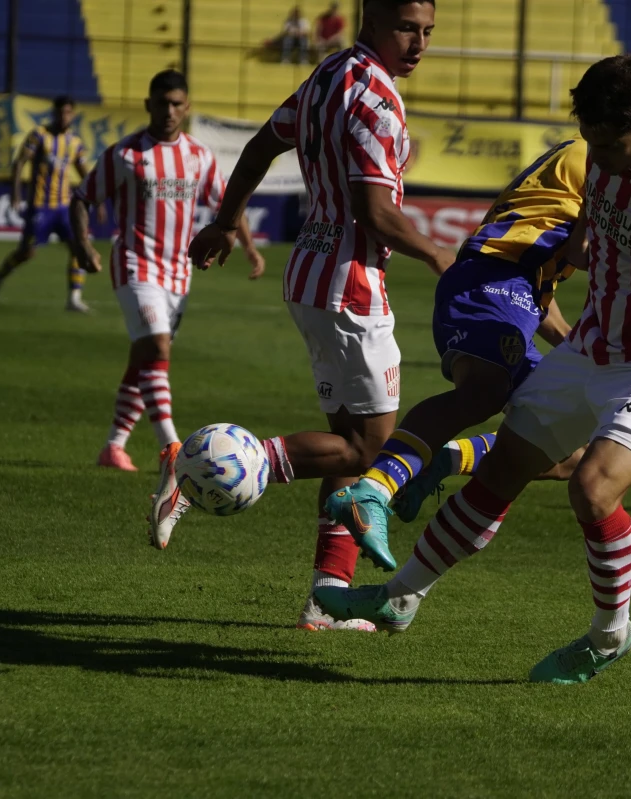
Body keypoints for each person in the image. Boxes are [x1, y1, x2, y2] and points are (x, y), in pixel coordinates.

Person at [317, 54, 631, 684]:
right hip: (590, 345)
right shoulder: (606, 152)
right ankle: (400, 598)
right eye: (590, 139)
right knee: (501, 471)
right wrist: (583, 238)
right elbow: (597, 192)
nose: (597, 154)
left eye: (609, 145)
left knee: (591, 488)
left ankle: (609, 636)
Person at [186, 0, 453, 630]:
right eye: (407, 29)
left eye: (427, 33)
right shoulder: (377, 99)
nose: (418, 44)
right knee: (370, 452)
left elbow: (259, 146)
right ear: (372, 20)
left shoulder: (328, 75)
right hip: (351, 288)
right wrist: (441, 253)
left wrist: (228, 222)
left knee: (349, 450)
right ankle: (208, 467)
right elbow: (374, 214)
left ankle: (325, 597)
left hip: (309, 277)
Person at [324, 137, 590, 574]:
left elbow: (543, 271)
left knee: (568, 450)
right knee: (483, 392)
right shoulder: (602, 159)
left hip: (517, 292)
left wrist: (570, 340)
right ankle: (372, 489)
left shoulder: (583, 162)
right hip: (493, 280)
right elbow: (583, 250)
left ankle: (441, 458)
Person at [69, 70, 264, 495]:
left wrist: (248, 248)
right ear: (149, 105)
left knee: (145, 359)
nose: (170, 111)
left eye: (177, 104)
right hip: (135, 263)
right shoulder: (125, 155)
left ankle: (113, 447)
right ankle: (173, 449)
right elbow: (82, 197)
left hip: (180, 272)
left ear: (187, 106)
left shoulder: (198, 155)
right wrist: (83, 245)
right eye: (162, 103)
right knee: (156, 348)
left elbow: (228, 203)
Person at [0, 96, 97, 313]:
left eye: (68, 113)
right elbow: (19, 163)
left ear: (73, 115)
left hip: (64, 207)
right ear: (54, 114)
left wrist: (97, 200)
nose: (64, 117)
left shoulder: (75, 143)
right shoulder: (39, 136)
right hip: (40, 206)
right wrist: (16, 193)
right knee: (27, 252)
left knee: (79, 247)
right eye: (60, 112)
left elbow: (86, 174)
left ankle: (74, 298)